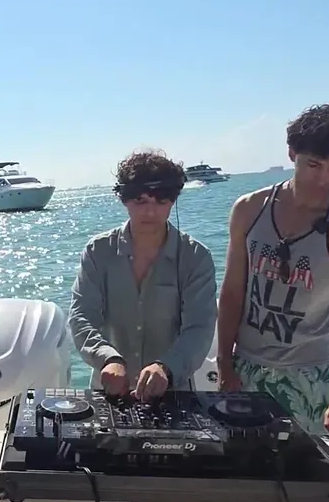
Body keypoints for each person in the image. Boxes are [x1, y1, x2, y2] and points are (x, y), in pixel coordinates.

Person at [215, 103, 329, 441]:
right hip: (244, 367)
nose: (323, 178)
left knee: (306, 469)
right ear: (292, 152)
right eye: (313, 165)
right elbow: (233, 291)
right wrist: (223, 361)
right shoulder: (249, 209)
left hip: (311, 376)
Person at [69, 150, 218, 400]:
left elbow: (199, 328)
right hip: (108, 389)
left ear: (173, 201)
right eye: (140, 201)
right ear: (124, 200)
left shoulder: (196, 257)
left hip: (173, 392)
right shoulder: (97, 251)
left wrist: (166, 367)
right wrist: (108, 358)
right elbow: (81, 315)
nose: (150, 212)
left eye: (161, 201)